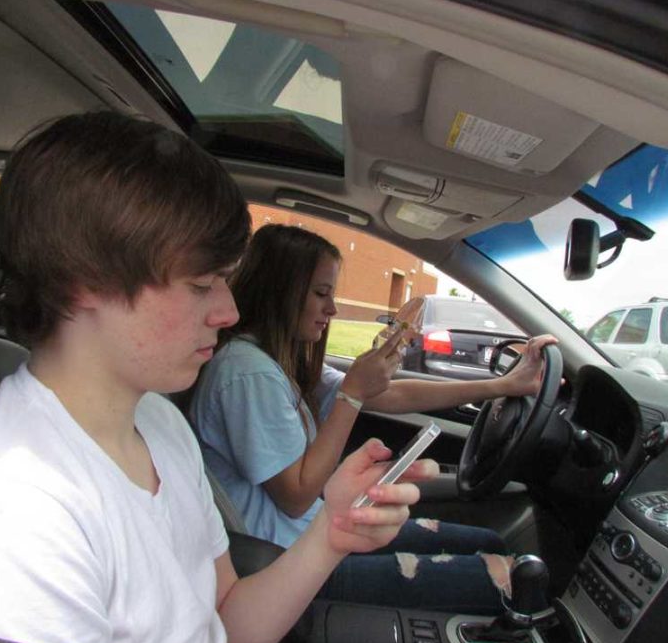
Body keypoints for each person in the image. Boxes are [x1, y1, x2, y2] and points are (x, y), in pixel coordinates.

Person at [0, 113, 434, 643]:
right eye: (201, 285)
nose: (229, 311)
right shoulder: (2, 521)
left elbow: (219, 629)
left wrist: (330, 536)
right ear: (84, 281)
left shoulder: (157, 422)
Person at [189, 223, 558, 614]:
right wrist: (351, 395)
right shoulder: (248, 373)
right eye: (321, 294)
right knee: (505, 577)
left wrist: (502, 385)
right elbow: (296, 497)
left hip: (315, 533)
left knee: (490, 543)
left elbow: (393, 392)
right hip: (287, 560)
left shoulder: (278, 363)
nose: (331, 310)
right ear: (281, 292)